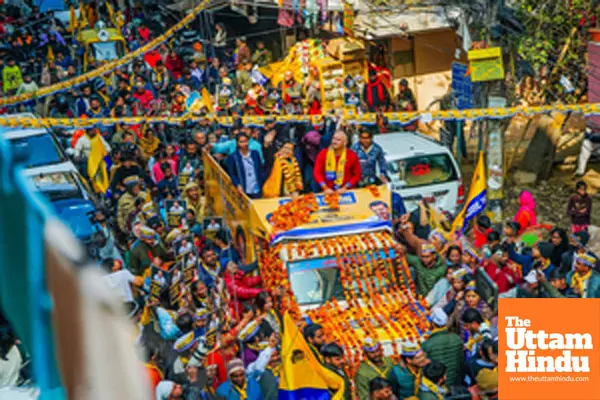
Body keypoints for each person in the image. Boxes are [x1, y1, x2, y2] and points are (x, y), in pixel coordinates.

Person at [421, 309, 464, 387]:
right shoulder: (457, 338)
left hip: (438, 383)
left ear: (433, 323)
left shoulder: (427, 344)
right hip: (455, 382)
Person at [226, 133, 265, 198]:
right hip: (244, 187)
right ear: (237, 143)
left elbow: (260, 169)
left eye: (246, 141)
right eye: (241, 142)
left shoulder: (255, 153)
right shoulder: (233, 156)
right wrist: (237, 185)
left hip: (257, 185)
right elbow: (232, 173)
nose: (244, 144)